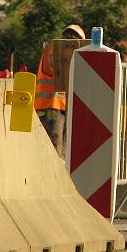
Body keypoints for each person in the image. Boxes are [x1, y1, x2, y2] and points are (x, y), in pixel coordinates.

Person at [35, 24, 85, 157]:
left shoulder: (60, 52)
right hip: (51, 107)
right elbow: (56, 66)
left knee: (62, 150)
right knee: (54, 148)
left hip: (60, 108)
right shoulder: (55, 50)